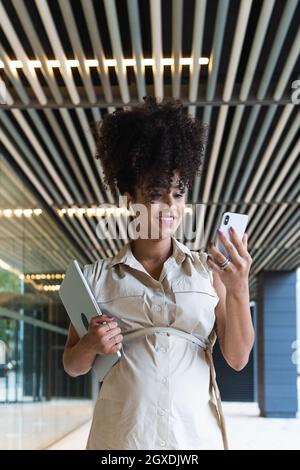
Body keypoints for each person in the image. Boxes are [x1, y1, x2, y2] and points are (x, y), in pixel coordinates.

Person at [63, 96, 254, 450]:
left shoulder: (209, 272)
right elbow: (73, 364)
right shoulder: (94, 279)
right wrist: (91, 344)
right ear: (128, 199)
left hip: (194, 442)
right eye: (155, 193)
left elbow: (238, 358)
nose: (170, 206)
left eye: (178, 194)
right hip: (121, 443)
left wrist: (239, 288)